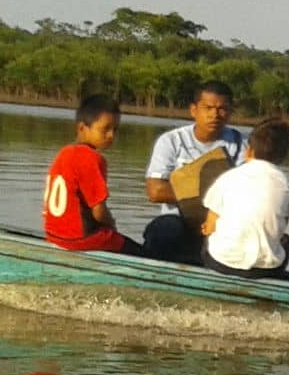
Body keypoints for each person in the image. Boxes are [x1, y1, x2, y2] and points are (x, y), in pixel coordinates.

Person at [142, 81, 244, 262]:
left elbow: (248, 192)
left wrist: (186, 191)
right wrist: (216, 196)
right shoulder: (171, 141)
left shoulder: (242, 144)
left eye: (222, 109)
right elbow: (156, 191)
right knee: (163, 230)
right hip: (177, 219)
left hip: (221, 224)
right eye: (208, 108)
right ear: (193, 110)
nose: (215, 114)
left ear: (230, 112)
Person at [42, 94, 141, 255]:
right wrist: (112, 225)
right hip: (80, 240)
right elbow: (99, 211)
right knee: (143, 254)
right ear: (82, 128)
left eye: (115, 130)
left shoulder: (64, 153)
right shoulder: (91, 158)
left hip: (53, 235)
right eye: (105, 129)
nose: (111, 136)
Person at [201, 118, 289, 278]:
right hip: (265, 270)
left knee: (209, 237)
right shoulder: (288, 185)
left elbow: (211, 226)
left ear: (249, 151)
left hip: (220, 263)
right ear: (284, 156)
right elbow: (280, 229)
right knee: (286, 241)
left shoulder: (229, 177)